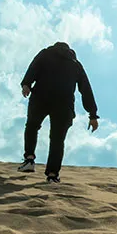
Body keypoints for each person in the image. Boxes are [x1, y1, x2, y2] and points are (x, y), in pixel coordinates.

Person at [17, 41, 100, 183]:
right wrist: (92, 114)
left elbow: (33, 68)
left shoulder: (45, 54)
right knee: (57, 140)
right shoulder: (75, 64)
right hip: (64, 104)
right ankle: (52, 175)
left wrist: (26, 84)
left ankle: (29, 159)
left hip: (41, 97)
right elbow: (85, 89)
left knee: (32, 126)